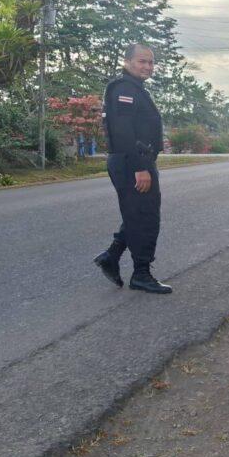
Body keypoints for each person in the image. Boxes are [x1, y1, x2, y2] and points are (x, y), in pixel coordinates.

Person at [93, 44, 172, 294]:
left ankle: (111, 256)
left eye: (151, 62)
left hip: (137, 160)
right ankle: (141, 274)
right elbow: (123, 130)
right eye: (142, 61)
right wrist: (140, 167)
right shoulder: (124, 89)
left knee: (138, 214)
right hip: (132, 163)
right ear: (127, 62)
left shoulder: (135, 88)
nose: (147, 66)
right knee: (145, 218)